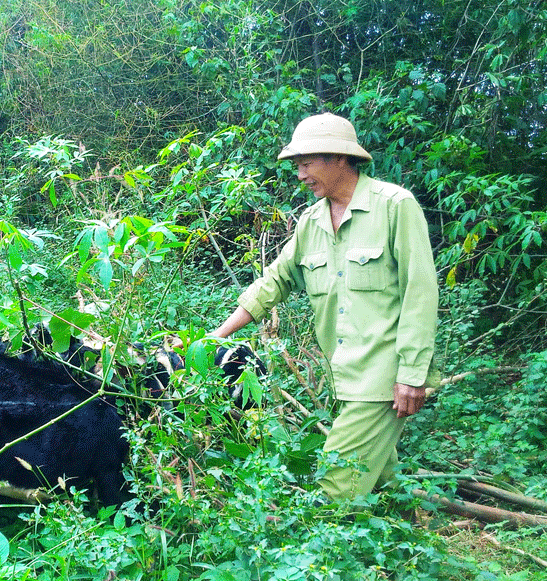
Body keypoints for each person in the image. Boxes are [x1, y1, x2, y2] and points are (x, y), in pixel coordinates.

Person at [184, 113, 439, 500]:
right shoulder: (311, 222)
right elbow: (274, 282)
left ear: (338, 158)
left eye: (306, 164)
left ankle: (323, 552)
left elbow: (420, 293)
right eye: (297, 166)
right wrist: (213, 339)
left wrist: (413, 374)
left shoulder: (394, 207)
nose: (300, 174)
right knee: (381, 482)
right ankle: (403, 553)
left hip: (383, 376)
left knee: (336, 487)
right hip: (344, 375)